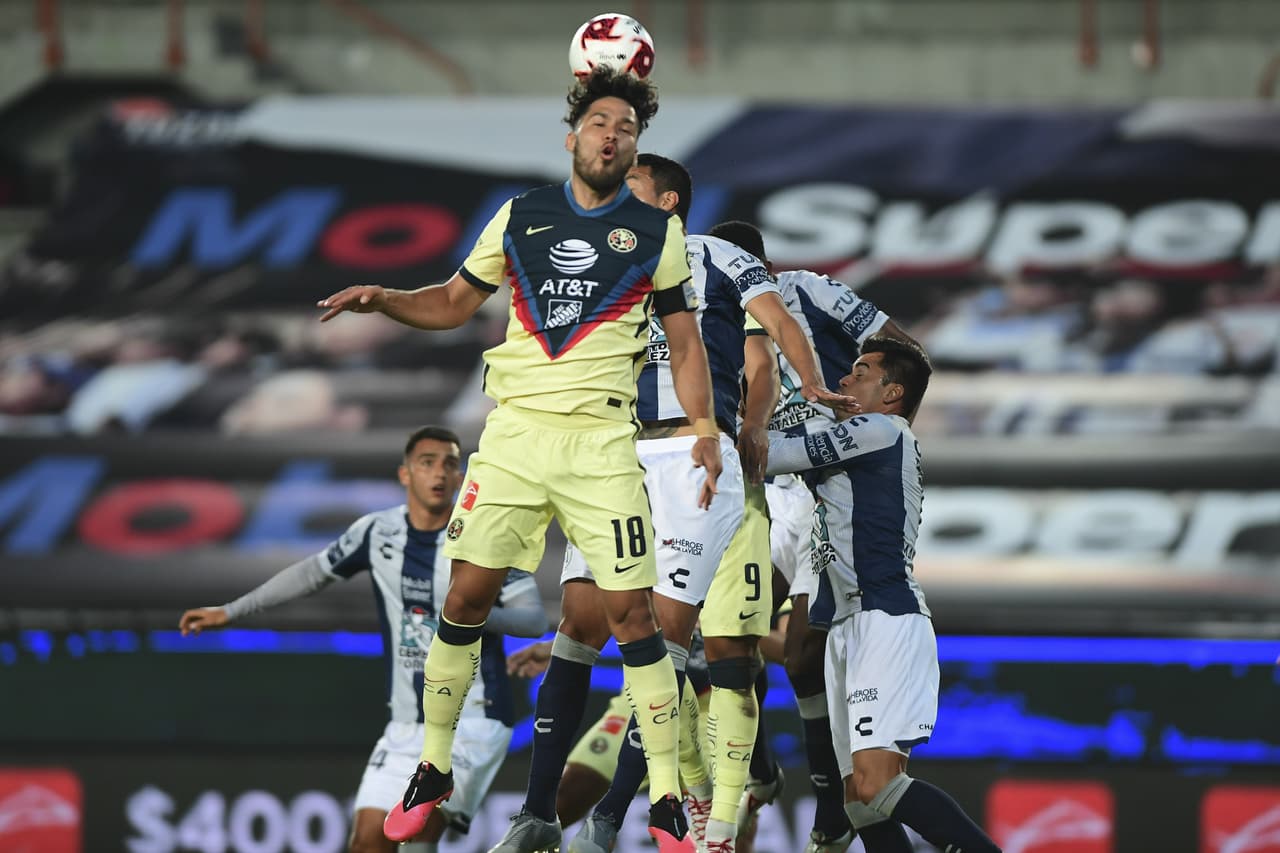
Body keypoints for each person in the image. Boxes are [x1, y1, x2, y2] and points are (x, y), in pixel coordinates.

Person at [317, 68, 719, 853]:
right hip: (515, 438)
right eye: (601, 122)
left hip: (603, 442)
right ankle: (432, 764)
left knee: (633, 618)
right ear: (573, 137)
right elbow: (452, 301)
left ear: (636, 144)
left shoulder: (657, 233)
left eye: (627, 128)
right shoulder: (519, 217)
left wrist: (702, 423)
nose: (613, 135)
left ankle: (668, 795)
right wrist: (386, 297)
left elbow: (683, 340)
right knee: (462, 598)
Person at [499, 156, 848, 853]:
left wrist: (802, 385)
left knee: (682, 647)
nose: (609, 199)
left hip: (693, 455)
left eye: (629, 189)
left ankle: (657, 814)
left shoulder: (716, 256)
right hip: (614, 454)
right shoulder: (610, 263)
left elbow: (768, 331)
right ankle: (536, 814)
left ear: (668, 200)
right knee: (580, 619)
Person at [177, 426, 549, 853]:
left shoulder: (486, 537)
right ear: (405, 475)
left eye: (450, 463)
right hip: (407, 724)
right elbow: (312, 572)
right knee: (369, 842)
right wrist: (232, 610)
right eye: (427, 463)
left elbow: (532, 619)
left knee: (418, 837)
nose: (440, 473)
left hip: (474, 719)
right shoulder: (378, 532)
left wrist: (465, 617)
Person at [706, 221, 918, 853]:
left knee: (801, 655)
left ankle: (829, 804)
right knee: (720, 632)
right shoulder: (698, 318)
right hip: (759, 487)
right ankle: (761, 771)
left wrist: (886, 433)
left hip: (820, 488)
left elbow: (903, 349)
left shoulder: (810, 291)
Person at [765, 337, 1003, 853]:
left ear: (892, 392)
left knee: (877, 784)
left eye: (861, 371)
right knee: (858, 800)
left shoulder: (878, 429)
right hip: (849, 623)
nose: (847, 379)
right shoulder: (864, 434)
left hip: (884, 618)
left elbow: (769, 456)